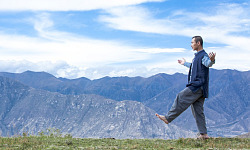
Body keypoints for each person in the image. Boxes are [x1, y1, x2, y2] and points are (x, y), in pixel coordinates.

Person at [155, 36, 216, 139]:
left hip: (197, 86)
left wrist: (212, 60)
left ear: (198, 43)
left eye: (192, 42)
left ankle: (168, 118)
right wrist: (184, 63)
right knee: (198, 111)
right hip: (201, 88)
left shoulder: (203, 56)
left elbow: (208, 63)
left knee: (181, 96)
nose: (191, 44)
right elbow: (194, 66)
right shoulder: (197, 56)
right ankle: (204, 134)